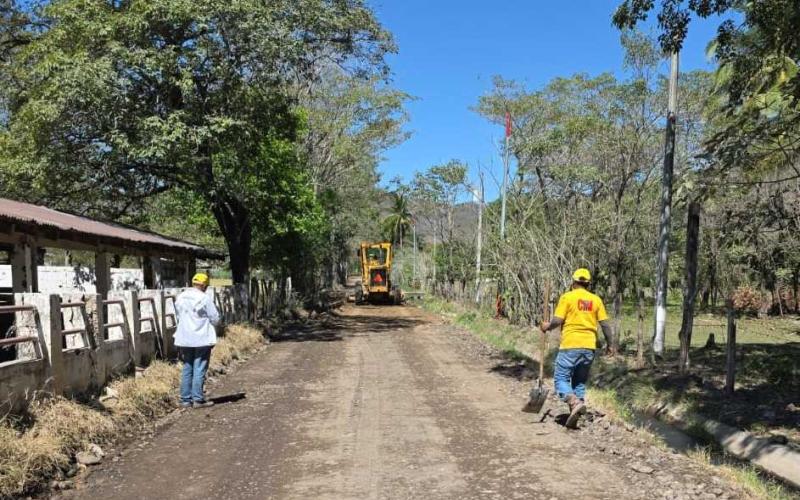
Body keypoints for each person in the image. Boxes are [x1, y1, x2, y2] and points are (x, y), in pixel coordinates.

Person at [540, 268, 613, 428]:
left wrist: (547, 326)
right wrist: (610, 344)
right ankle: (577, 413)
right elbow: (605, 324)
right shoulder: (596, 300)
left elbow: (558, 320)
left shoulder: (567, 297)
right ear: (588, 284)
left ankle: (573, 402)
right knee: (579, 382)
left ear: (573, 282)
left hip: (570, 345)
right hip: (589, 347)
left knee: (560, 379)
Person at [174, 272, 221, 409]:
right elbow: (215, 318)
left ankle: (185, 400)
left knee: (187, 367)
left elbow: (178, 315)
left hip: (184, 338)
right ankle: (198, 399)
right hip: (201, 338)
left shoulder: (181, 296)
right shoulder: (204, 298)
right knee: (199, 367)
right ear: (204, 285)